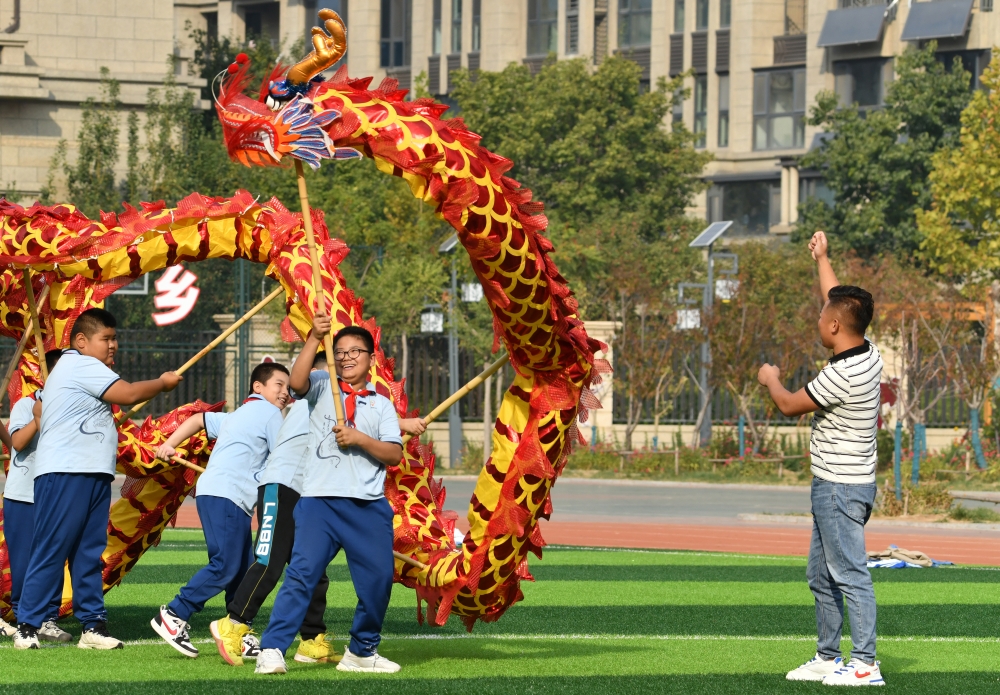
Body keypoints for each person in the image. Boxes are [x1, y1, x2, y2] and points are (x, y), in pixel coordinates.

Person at [211, 351, 427, 667]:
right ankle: (232, 624)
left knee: (313, 570)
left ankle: (311, 639)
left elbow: (359, 418)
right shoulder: (316, 398)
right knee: (270, 561)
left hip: (310, 494)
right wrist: (402, 421)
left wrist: (395, 423)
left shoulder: (341, 400)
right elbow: (346, 419)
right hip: (281, 485)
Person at [757, 230, 884, 687]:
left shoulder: (843, 375)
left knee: (849, 573)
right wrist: (822, 258)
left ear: (833, 327)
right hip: (839, 484)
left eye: (822, 314)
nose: (819, 315)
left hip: (839, 488)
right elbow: (835, 297)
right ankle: (829, 657)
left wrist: (770, 378)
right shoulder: (869, 353)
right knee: (820, 574)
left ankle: (865, 663)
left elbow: (790, 404)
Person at [14, 308, 181, 650]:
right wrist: (163, 384)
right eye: (106, 338)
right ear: (80, 341)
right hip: (66, 472)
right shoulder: (79, 364)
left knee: (88, 553)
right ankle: (27, 625)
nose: (113, 345)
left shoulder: (83, 370)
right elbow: (131, 394)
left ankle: (93, 626)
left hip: (90, 472)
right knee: (52, 548)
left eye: (115, 338)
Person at [255, 317, 403, 675]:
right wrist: (313, 339)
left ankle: (361, 651)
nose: (348, 357)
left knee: (379, 581)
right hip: (319, 502)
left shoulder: (381, 405)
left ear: (371, 357)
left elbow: (394, 454)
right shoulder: (324, 385)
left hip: (367, 507)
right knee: (302, 574)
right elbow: (296, 381)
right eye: (340, 352)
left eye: (356, 351)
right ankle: (272, 649)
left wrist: (359, 440)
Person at [151, 362, 290, 659]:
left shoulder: (237, 416)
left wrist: (170, 443)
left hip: (226, 496)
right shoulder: (268, 413)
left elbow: (199, 419)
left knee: (242, 566)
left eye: (288, 387)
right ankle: (175, 613)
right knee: (226, 565)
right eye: (279, 385)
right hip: (225, 495)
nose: (285, 392)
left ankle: (237, 630)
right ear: (258, 387)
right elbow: (285, 455)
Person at [1, 350, 71, 643]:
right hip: (23, 495)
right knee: (24, 560)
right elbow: (17, 441)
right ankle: (22, 614)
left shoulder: (73, 408)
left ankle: (48, 619)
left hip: (56, 495)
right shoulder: (26, 405)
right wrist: (39, 418)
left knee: (54, 557)